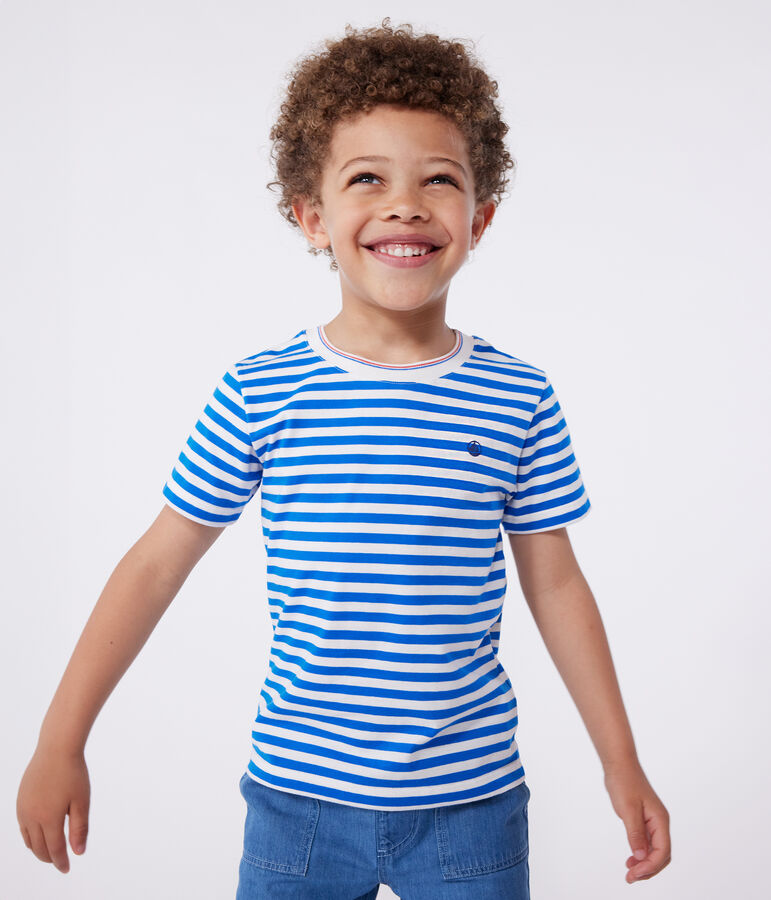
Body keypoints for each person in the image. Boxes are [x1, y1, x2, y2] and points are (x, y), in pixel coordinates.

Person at [16, 18, 671, 898]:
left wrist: (619, 764)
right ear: (312, 217)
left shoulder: (519, 397)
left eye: (437, 181)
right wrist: (62, 739)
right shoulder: (262, 391)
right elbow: (153, 567)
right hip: (299, 808)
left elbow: (555, 585)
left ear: (478, 218)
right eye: (368, 179)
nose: (405, 204)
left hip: (468, 807)